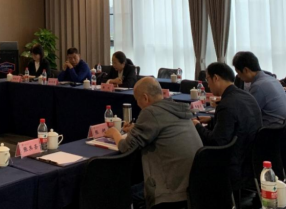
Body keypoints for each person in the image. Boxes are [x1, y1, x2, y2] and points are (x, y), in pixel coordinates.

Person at [105, 77, 202, 209]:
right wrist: (135, 129)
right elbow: (161, 129)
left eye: (137, 100)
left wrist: (114, 133)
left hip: (170, 191)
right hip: (193, 186)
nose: (137, 104)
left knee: (122, 195)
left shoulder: (150, 112)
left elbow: (127, 147)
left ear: (145, 98)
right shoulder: (175, 108)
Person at [193, 63, 262, 187]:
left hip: (233, 165)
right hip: (252, 160)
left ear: (216, 78)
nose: (208, 85)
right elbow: (237, 122)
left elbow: (217, 142)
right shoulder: (247, 96)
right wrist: (212, 120)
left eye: (208, 79)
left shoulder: (226, 104)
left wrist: (197, 126)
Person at [232, 52, 286, 127]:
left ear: (245, 70)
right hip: (284, 125)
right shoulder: (270, 79)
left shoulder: (258, 86)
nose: (238, 76)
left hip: (272, 127)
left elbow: (247, 113)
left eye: (238, 72)